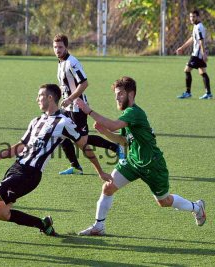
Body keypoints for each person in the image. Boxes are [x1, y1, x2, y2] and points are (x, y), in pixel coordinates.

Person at [0, 84, 111, 240]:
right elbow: (22, 146)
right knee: (0, 214)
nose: (37, 99)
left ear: (50, 97)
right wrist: (1, 155)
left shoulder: (64, 122)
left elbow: (84, 146)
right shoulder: (36, 120)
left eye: (40, 96)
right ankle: (43, 224)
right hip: (15, 169)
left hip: (29, 175)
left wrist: (100, 171)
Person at [76, 76, 206, 236]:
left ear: (131, 94)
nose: (117, 97)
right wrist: (106, 133)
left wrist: (87, 110)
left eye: (120, 94)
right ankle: (99, 226)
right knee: (108, 187)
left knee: (164, 202)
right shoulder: (127, 114)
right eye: (116, 94)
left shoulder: (134, 112)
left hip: (153, 165)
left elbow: (113, 124)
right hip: (133, 162)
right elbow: (123, 141)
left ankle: (197, 207)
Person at [53, 34, 124, 175]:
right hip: (67, 107)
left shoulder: (72, 62)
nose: (57, 50)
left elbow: (84, 83)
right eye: (55, 47)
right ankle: (75, 166)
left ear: (66, 47)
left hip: (78, 107)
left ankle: (115, 148)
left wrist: (70, 99)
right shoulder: (60, 62)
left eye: (60, 47)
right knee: (60, 133)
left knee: (81, 140)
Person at [176, 10, 212, 99]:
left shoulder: (199, 27)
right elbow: (192, 38)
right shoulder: (196, 26)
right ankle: (208, 93)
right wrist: (182, 47)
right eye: (191, 17)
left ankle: (188, 93)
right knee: (202, 72)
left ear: (198, 17)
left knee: (187, 70)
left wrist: (203, 54)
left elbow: (201, 40)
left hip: (197, 54)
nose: (192, 18)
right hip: (198, 53)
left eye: (194, 17)